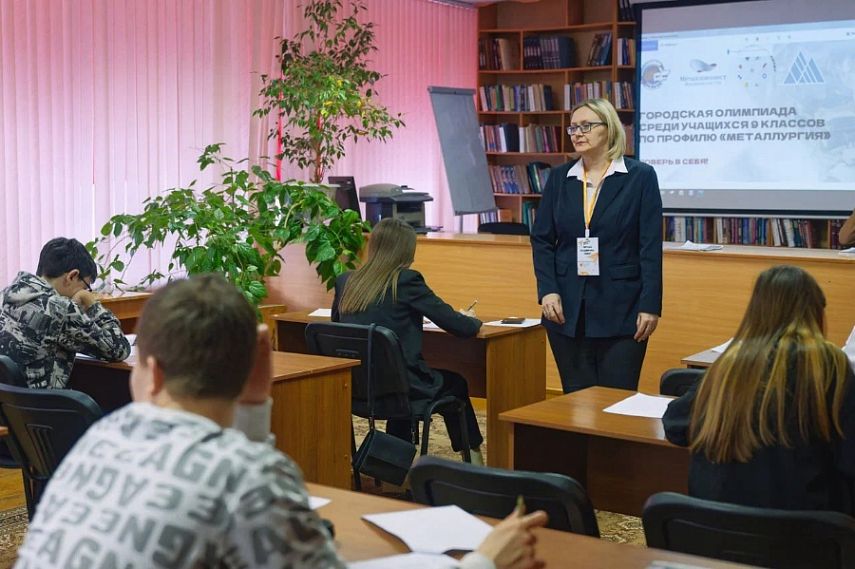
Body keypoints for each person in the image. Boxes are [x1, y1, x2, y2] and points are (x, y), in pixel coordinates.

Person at [14, 274, 547, 569]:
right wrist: (480, 563)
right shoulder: (251, 478)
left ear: (148, 375)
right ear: (258, 369)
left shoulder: (98, 439)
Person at [663, 265, 855, 513]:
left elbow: (676, 426)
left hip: (718, 530)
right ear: (816, 312)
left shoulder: (732, 362)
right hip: (808, 533)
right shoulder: (831, 366)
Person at [531, 98, 662, 393]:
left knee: (616, 399)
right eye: (573, 127)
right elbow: (542, 240)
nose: (578, 133)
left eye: (586, 126)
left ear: (609, 129)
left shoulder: (640, 177)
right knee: (576, 399)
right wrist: (547, 290)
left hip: (623, 308)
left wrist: (650, 305)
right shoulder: (560, 178)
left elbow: (650, 247)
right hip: (565, 308)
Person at [333, 218, 486, 465]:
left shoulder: (346, 281)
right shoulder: (406, 281)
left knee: (398, 377)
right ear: (405, 251)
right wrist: (471, 319)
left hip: (358, 388)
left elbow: (338, 329)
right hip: (400, 389)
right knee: (455, 383)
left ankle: (396, 464)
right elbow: (461, 328)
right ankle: (474, 462)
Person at [0, 237, 130, 389]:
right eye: (85, 286)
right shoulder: (61, 308)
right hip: (43, 408)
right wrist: (91, 302)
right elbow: (119, 349)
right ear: (72, 276)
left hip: (11, 407)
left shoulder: (5, 296)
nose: (84, 291)